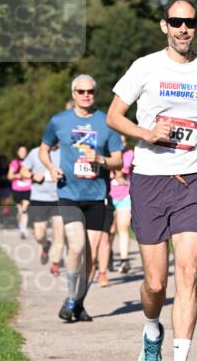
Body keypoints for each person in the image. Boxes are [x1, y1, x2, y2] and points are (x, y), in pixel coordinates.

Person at [107, 0, 197, 361]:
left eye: (189, 22)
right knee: (156, 284)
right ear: (164, 26)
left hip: (194, 180)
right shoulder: (145, 66)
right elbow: (114, 116)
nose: (183, 29)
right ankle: (151, 328)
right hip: (150, 181)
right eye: (176, 22)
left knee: (188, 273)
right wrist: (146, 133)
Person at [39, 75, 122, 322]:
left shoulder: (107, 121)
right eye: (81, 91)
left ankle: (77, 303)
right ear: (73, 93)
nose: (86, 95)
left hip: (96, 196)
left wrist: (101, 160)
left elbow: (118, 160)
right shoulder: (59, 121)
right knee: (76, 246)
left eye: (90, 91)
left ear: (95, 93)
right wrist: (51, 167)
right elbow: (44, 149)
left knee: (92, 256)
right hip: (69, 194)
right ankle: (71, 297)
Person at [21, 145, 65, 275]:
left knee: (59, 233)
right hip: (39, 198)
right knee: (39, 235)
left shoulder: (65, 152)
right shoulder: (35, 152)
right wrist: (33, 175)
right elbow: (23, 171)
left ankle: (55, 264)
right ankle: (45, 245)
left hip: (60, 198)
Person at [109, 137, 134, 275]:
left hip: (125, 195)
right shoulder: (105, 154)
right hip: (108, 195)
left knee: (123, 228)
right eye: (118, 141)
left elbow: (123, 170)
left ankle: (125, 260)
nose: (121, 144)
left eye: (123, 141)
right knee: (110, 230)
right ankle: (108, 255)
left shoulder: (129, 154)